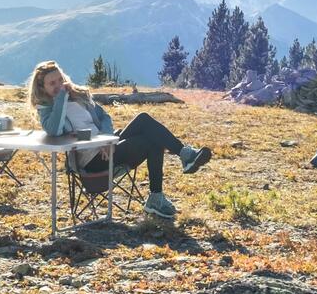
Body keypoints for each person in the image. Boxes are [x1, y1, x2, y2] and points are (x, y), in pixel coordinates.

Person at [28, 60, 210, 219]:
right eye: (52, 83)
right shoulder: (46, 108)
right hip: (92, 159)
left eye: (60, 79)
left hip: (107, 145)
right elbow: (55, 131)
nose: (59, 85)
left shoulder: (79, 94)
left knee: (144, 118)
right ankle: (157, 194)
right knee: (151, 142)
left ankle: (184, 154)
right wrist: (60, 99)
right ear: (42, 88)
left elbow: (105, 117)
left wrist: (108, 140)